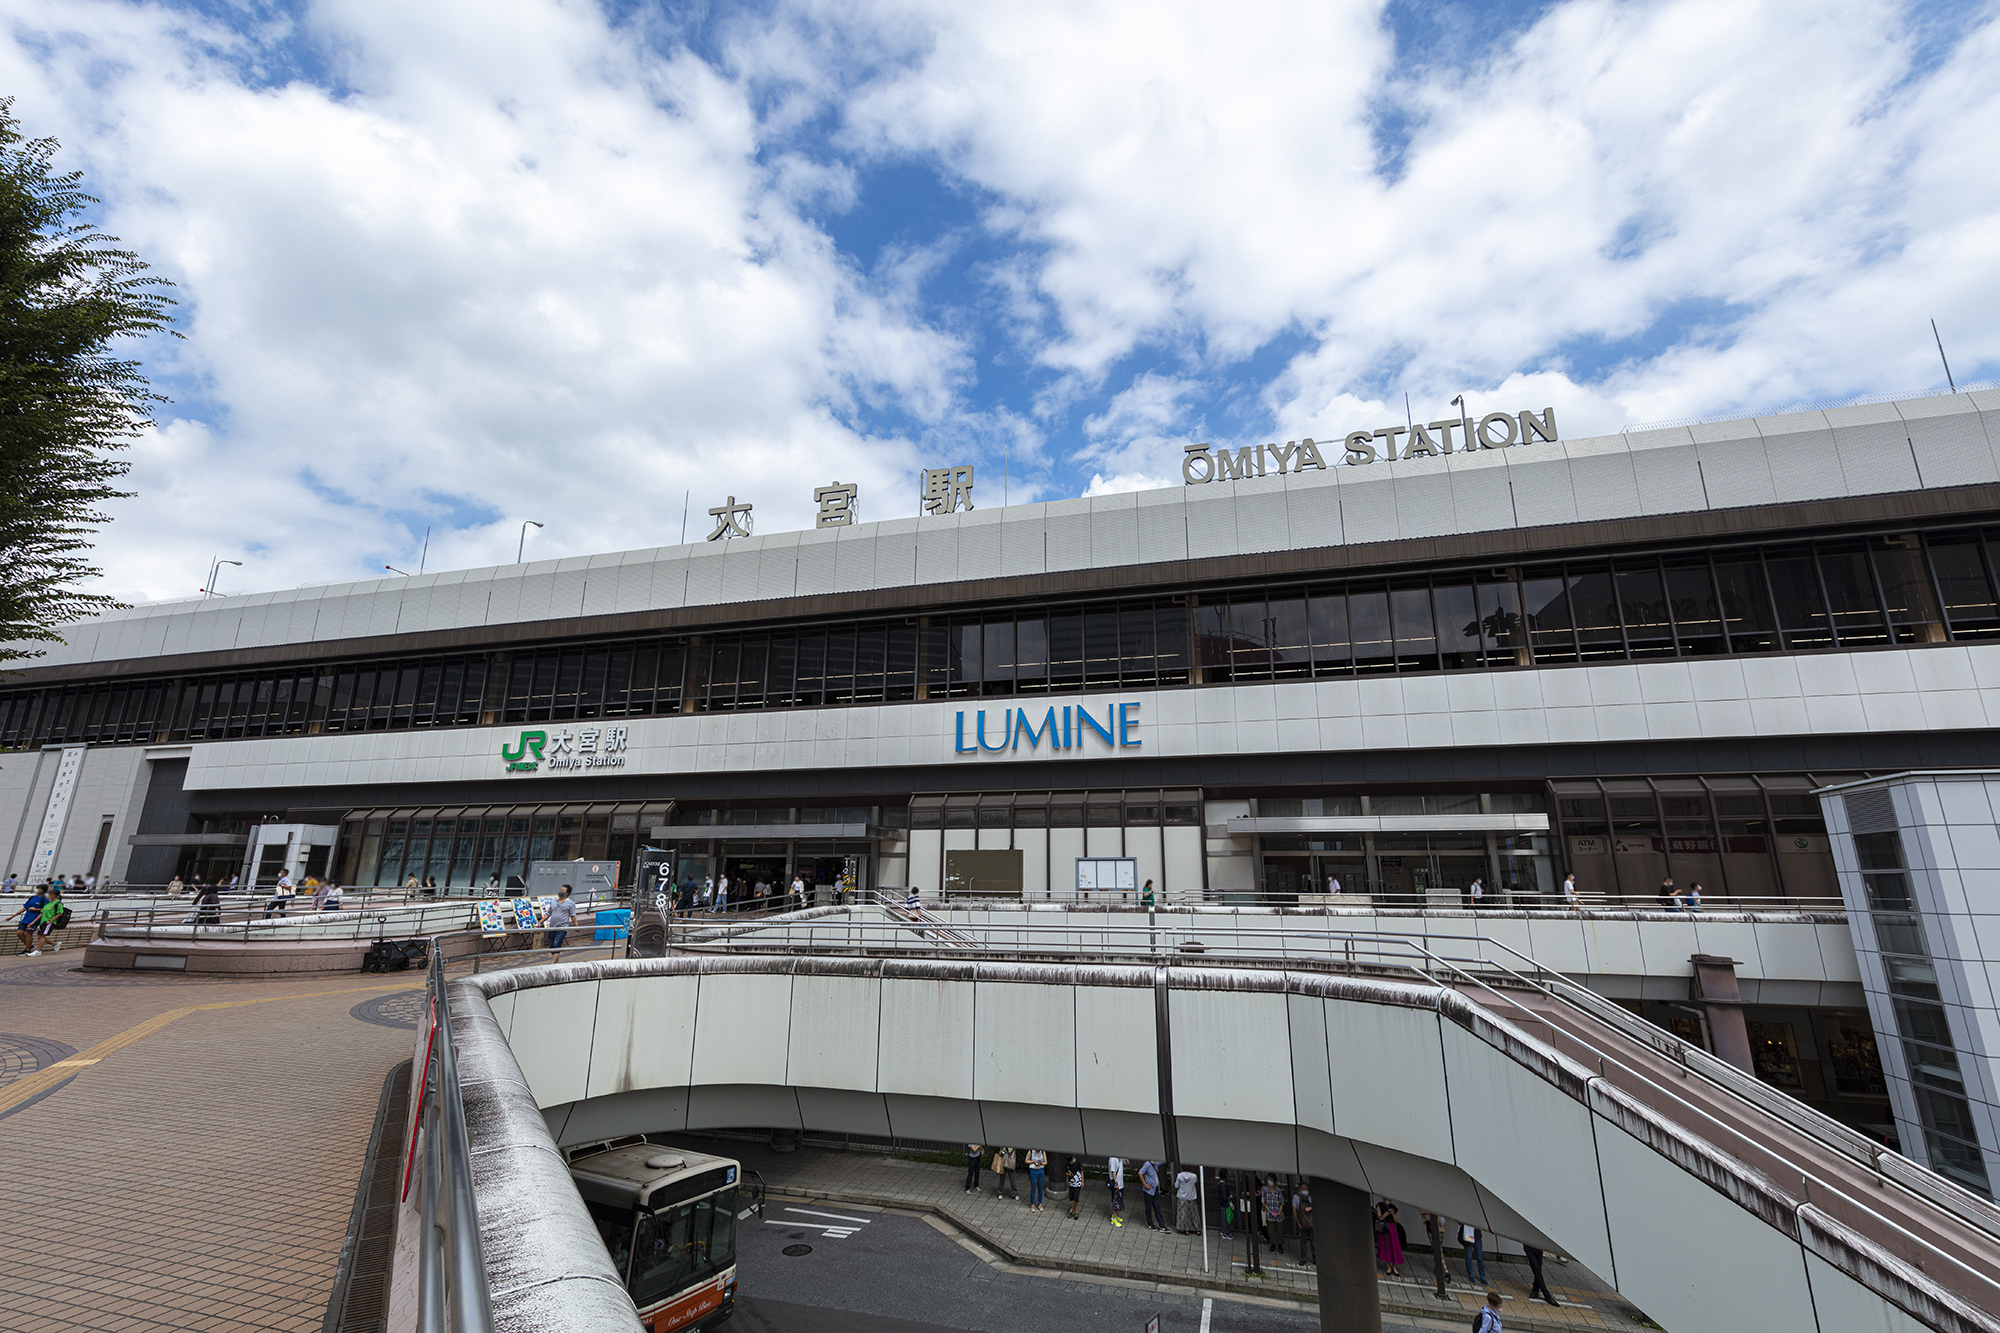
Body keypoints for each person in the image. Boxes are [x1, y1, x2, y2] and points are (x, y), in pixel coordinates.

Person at [546, 884, 577, 962]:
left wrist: (576, 925)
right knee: (552, 947)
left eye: (562, 890)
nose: (560, 891)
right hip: (552, 927)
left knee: (556, 945)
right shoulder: (554, 902)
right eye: (560, 890)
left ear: (567, 893)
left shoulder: (570, 903)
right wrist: (540, 922)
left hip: (562, 928)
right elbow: (548, 913)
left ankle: (551, 965)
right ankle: (557, 965)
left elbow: (573, 916)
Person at [15, 884, 50, 954]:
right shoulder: (32, 897)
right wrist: (13, 916)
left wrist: (35, 909)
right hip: (26, 918)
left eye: (39, 888)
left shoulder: (45, 899)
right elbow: (25, 907)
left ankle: (27, 950)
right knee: (19, 933)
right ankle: (30, 946)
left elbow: (45, 910)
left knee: (28, 933)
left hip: (34, 919)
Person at [1375, 1199, 1404, 1276]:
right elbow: (1379, 1218)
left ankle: (1394, 1267)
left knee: (1394, 1246)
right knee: (1386, 1247)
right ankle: (1388, 1267)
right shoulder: (1379, 1205)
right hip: (1384, 1228)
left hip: (1392, 1228)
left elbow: (1396, 1221)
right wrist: (1385, 1214)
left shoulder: (1393, 1207)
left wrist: (1393, 1214)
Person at [1260, 1174, 1285, 1257]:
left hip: (1278, 1213)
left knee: (1280, 1230)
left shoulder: (1278, 1190)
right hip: (1270, 1213)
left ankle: (1280, 1244)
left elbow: (1282, 1202)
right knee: (1271, 1230)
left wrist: (1279, 1212)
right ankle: (1273, 1243)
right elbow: (1263, 1201)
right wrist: (1269, 1211)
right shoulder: (1265, 1190)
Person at [1174, 1165, 1200, 1234]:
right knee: (1193, 1214)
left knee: (1183, 1214)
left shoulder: (1179, 1175)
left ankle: (1185, 1229)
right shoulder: (1194, 1176)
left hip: (1182, 1197)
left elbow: (1176, 1186)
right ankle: (1196, 1228)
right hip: (1191, 1197)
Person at [1139, 1159, 1162, 1229]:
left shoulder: (1156, 1163)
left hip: (1155, 1189)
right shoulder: (1148, 1164)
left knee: (1157, 1207)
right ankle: (1150, 1224)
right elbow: (1140, 1173)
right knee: (1148, 1207)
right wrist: (1145, 1184)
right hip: (1148, 1190)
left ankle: (1162, 1225)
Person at [1295, 1185, 1315, 1263]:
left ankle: (1314, 1258)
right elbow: (1295, 1210)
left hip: (1310, 1223)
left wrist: (1311, 1208)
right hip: (1303, 1223)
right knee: (1303, 1242)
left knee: (1312, 1241)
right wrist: (1298, 1222)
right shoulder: (1296, 1197)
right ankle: (1304, 1258)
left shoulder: (1310, 1197)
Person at [1106, 1156, 1125, 1224]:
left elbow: (1127, 1163)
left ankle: (1115, 1215)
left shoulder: (1120, 1158)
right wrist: (1116, 1183)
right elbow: (1113, 1171)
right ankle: (1114, 1219)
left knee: (1118, 1200)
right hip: (1117, 1184)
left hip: (1120, 1183)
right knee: (1116, 1201)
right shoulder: (1113, 1159)